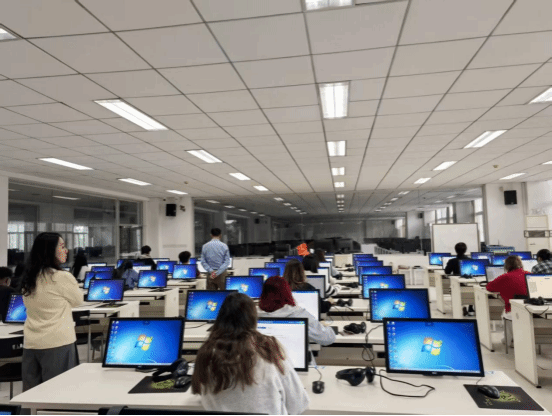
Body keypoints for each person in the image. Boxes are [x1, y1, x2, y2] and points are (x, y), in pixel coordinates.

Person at [192, 292, 309, 415]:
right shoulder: (269, 351)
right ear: (253, 320)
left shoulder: (206, 354)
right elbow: (298, 404)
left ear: (220, 318)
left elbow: (203, 396)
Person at [21, 232, 84, 391]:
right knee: (59, 393)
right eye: (62, 246)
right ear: (50, 251)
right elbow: (78, 301)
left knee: (31, 395)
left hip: (31, 343)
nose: (66, 250)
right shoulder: (61, 277)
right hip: (58, 342)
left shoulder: (29, 277)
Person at [258, 277, 336, 347]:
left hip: (268, 357)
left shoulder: (254, 316)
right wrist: (323, 326)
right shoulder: (298, 314)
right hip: (297, 357)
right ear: (287, 292)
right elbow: (328, 339)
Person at [486, 256, 529, 347]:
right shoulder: (529, 274)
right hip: (529, 307)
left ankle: (509, 340)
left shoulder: (505, 277)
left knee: (505, 314)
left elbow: (489, 287)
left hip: (512, 309)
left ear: (506, 266)